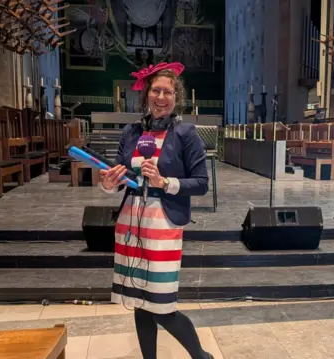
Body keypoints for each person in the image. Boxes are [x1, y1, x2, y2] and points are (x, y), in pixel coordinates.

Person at [99, 62, 213, 359]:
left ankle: (202, 356)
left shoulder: (186, 134)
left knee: (162, 306)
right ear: (146, 94)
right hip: (130, 222)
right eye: (156, 90)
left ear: (177, 98)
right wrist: (109, 184)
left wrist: (163, 182)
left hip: (163, 224)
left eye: (168, 92)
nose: (161, 97)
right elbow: (121, 178)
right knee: (139, 301)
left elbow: (201, 183)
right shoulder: (131, 132)